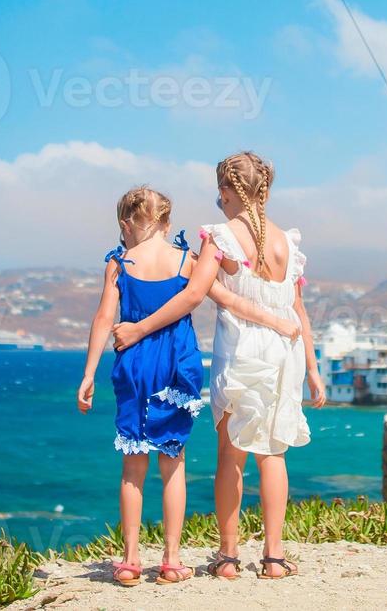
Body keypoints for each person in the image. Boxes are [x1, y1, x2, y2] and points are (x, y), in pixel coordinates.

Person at [112, 152, 326, 580]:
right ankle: (274, 557)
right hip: (285, 351)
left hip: (243, 349)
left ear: (228, 191)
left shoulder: (220, 237)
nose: (218, 199)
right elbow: (299, 311)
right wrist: (314, 369)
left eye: (219, 191)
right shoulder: (289, 243)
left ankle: (228, 557)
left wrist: (137, 331)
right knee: (274, 452)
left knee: (231, 453)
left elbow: (194, 295)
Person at [80, 184, 297, 585]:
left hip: (134, 364)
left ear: (127, 223)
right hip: (177, 367)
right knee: (173, 463)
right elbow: (228, 300)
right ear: (167, 221)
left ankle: (129, 562)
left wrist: (89, 372)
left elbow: (102, 319)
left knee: (133, 466)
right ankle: (172, 560)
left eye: (121, 228)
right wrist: (279, 322)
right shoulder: (186, 261)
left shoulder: (119, 262)